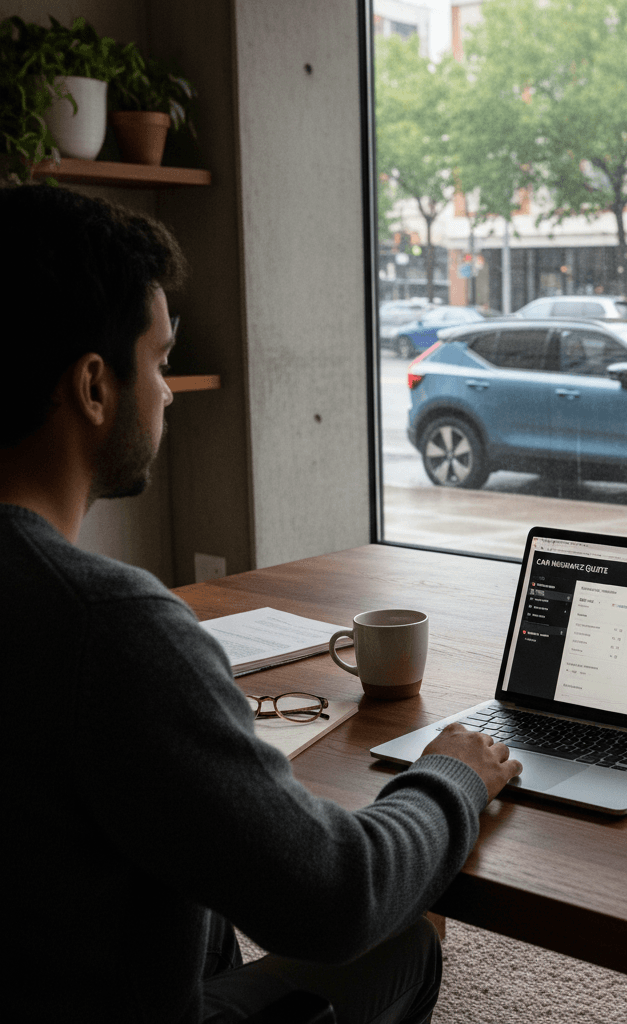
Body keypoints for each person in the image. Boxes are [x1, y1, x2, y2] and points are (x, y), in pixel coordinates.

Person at [0, 183, 522, 1024]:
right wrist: (452, 776)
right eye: (161, 360)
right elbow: (334, 898)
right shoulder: (109, 627)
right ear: (94, 386)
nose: (168, 392)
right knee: (407, 934)